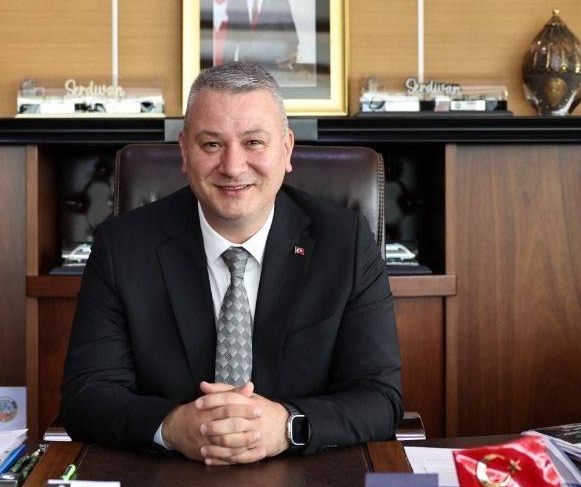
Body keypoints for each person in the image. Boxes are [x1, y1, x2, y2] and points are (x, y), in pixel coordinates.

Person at [60, 62, 402, 463]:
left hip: (307, 476)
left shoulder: (346, 242)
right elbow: (87, 396)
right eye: (211, 144)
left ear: (286, 149)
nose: (233, 166)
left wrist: (287, 425)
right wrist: (171, 427)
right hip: (165, 475)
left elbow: (379, 398)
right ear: (184, 152)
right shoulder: (122, 247)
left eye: (254, 142)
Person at [222, 0, 298, 68]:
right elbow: (230, 41)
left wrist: (286, 60)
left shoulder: (280, 2)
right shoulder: (234, 4)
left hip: (275, 66)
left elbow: (292, 37)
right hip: (246, 67)